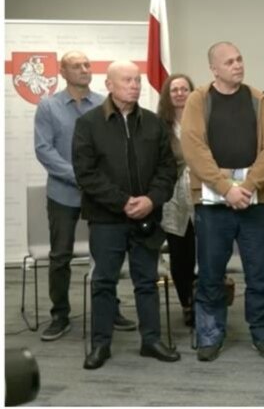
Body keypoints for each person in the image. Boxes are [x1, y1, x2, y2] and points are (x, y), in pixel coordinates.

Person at [73, 60, 179, 369]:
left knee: (147, 281)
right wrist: (123, 202)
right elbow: (86, 174)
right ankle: (101, 345)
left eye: (137, 80)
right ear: (109, 85)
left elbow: (167, 169)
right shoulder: (89, 124)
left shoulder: (154, 123)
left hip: (147, 217)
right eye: (127, 80)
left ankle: (151, 341)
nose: (135, 85)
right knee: (104, 282)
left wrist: (150, 200)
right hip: (107, 219)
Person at [181, 41, 264, 361]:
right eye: (229, 62)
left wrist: (247, 187)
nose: (237, 65)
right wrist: (227, 189)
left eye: (239, 59)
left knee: (260, 272)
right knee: (210, 274)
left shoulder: (258, 99)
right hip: (213, 205)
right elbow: (194, 149)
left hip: (256, 202)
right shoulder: (198, 100)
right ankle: (210, 335)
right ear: (214, 69)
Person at [34, 51, 136, 341]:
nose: (84, 69)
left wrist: (97, 183)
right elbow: (44, 150)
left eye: (87, 65)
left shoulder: (105, 104)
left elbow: (114, 148)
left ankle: (110, 309)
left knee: (106, 254)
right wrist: (80, 177)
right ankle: (60, 315)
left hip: (101, 195)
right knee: (60, 255)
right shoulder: (48, 106)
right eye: (76, 66)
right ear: (62, 72)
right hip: (64, 194)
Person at [157, 73, 197, 326]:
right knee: (180, 253)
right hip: (173, 198)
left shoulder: (203, 119)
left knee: (204, 251)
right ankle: (187, 303)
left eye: (185, 89)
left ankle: (205, 300)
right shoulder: (159, 125)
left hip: (202, 193)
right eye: (175, 90)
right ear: (167, 95)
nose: (180, 93)